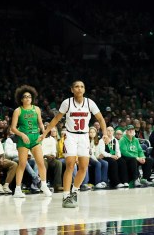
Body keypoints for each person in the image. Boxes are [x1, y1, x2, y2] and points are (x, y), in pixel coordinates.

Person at [39, 80, 108, 208]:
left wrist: (104, 133)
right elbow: (56, 119)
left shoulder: (89, 102)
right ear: (72, 90)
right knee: (70, 165)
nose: (79, 89)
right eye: (76, 87)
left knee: (83, 167)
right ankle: (66, 195)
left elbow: (100, 118)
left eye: (82, 86)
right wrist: (45, 133)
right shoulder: (67, 102)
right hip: (70, 136)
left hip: (84, 137)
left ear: (84, 89)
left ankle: (74, 191)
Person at [9, 85, 52, 198]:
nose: (27, 98)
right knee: (22, 164)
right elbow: (13, 128)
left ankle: (43, 185)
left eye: (29, 96)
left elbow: (40, 123)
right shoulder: (18, 111)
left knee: (41, 163)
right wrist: (22, 134)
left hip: (35, 138)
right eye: (25, 97)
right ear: (21, 99)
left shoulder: (36, 109)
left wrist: (43, 133)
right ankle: (17, 189)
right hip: (24, 139)